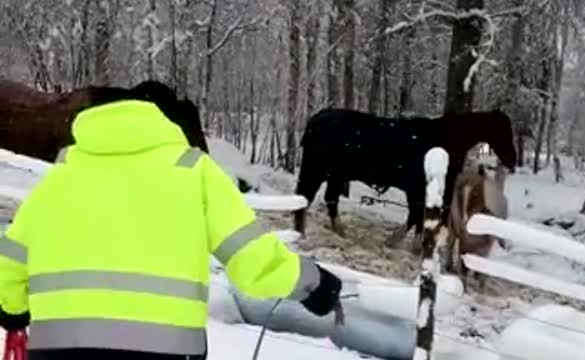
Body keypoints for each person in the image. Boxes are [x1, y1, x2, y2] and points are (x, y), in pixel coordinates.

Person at [0, 83, 343, 360]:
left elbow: (9, 263)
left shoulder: (62, 178)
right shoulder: (192, 171)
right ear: (165, 122)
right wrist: (313, 284)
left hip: (60, 350)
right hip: (166, 351)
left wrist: (13, 313)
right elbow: (254, 261)